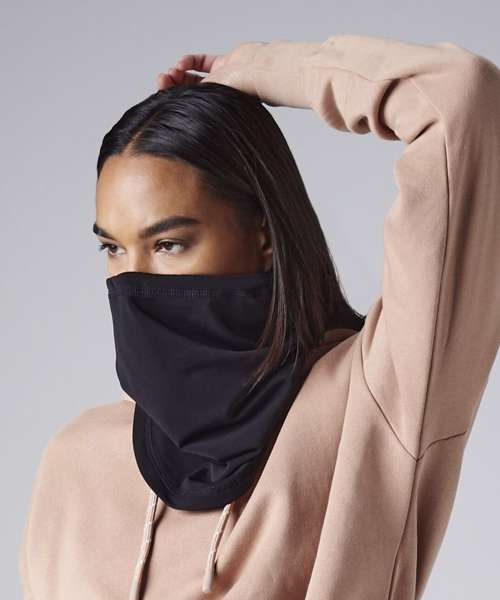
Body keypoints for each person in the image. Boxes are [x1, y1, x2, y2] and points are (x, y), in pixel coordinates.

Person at [18, 33, 499, 600]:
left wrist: (258, 71)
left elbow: (461, 99)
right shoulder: (76, 461)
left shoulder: (371, 402)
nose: (134, 280)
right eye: (113, 249)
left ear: (264, 236)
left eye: (169, 244)